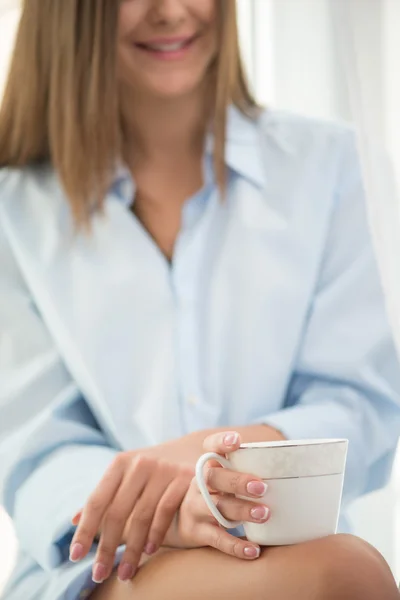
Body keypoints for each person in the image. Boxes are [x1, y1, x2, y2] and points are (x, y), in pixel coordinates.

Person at [0, 1, 399, 599]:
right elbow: (34, 451)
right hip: (105, 562)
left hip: (285, 538)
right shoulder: (13, 210)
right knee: (346, 576)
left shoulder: (335, 167)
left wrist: (211, 464)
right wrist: (165, 507)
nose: (171, 12)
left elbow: (359, 404)